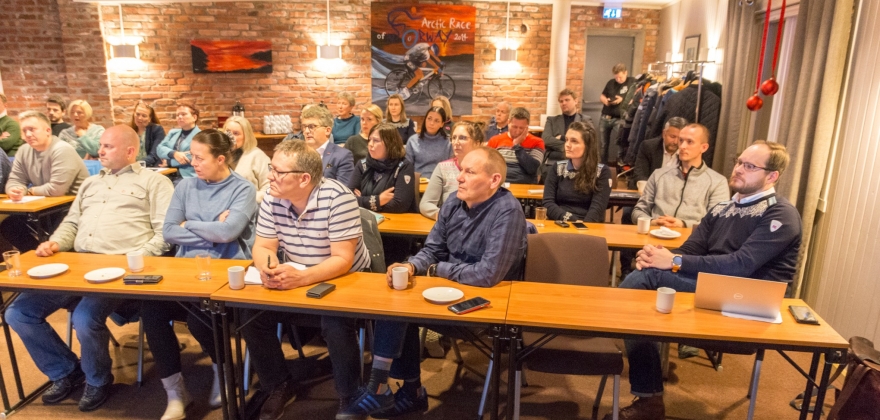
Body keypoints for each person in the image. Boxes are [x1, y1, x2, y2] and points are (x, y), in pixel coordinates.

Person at [608, 140, 802, 420]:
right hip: (715, 288)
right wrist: (659, 255)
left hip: (752, 301)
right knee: (645, 281)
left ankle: (608, 336)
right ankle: (647, 396)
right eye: (739, 161)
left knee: (645, 281)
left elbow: (740, 266)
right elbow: (691, 250)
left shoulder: (780, 214)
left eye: (749, 166)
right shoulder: (724, 207)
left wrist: (672, 262)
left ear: (772, 176)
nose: (738, 169)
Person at [337, 147, 528, 419]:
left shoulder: (507, 211)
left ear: (494, 180)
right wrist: (411, 265)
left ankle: (398, 391)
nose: (459, 177)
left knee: (406, 305)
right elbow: (432, 249)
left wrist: (438, 269)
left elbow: (487, 274)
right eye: (460, 169)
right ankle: (390, 388)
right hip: (446, 292)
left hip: (487, 305)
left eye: (469, 172)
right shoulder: (452, 202)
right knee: (395, 298)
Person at [6, 125, 173, 413]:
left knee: (84, 317)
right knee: (17, 312)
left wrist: (135, 259)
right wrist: (55, 242)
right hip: (79, 263)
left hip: (121, 269)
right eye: (102, 145)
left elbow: (164, 233)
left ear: (130, 151)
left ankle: (97, 380)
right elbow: (71, 223)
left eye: (108, 146)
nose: (100, 151)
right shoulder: (91, 183)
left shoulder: (154, 182)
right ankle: (66, 371)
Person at [242, 140, 370, 420]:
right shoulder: (273, 197)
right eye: (270, 168)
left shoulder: (338, 197)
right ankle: (277, 383)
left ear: (304, 179)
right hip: (298, 273)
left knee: (335, 322)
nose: (269, 176)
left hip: (344, 278)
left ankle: (349, 395)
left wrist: (301, 278)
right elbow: (263, 246)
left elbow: (342, 260)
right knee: (250, 314)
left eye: (278, 171)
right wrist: (269, 267)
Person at [145, 129, 257, 420]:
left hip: (227, 273)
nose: (191, 162)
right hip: (186, 271)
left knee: (198, 317)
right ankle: (175, 391)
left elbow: (230, 232)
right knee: (151, 307)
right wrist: (211, 229)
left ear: (220, 159)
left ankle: (224, 371)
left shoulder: (242, 189)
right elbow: (169, 232)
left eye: (199, 157)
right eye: (191, 156)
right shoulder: (185, 187)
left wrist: (189, 224)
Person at [1, 111, 89, 251]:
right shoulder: (24, 151)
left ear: (48, 130)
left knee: (56, 228)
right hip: (46, 206)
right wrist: (16, 189)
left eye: (32, 129)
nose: (28, 134)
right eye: (24, 131)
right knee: (9, 225)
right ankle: (37, 254)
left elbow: (56, 190)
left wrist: (29, 191)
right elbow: (15, 179)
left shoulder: (62, 150)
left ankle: (52, 256)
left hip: (72, 206)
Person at [631, 123, 729, 228]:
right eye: (681, 140)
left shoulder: (718, 182)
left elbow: (718, 221)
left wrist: (683, 224)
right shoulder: (658, 175)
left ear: (703, 148)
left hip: (692, 241)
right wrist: (652, 222)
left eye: (689, 142)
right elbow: (638, 211)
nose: (682, 146)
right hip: (655, 236)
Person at [542, 121, 611, 223]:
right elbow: (548, 203)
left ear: (587, 146)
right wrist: (571, 220)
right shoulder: (557, 168)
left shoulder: (602, 172)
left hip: (589, 226)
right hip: (561, 223)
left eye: (574, 141)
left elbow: (597, 209)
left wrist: (582, 227)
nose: (567, 145)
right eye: (566, 140)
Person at [419, 121, 484, 219]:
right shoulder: (443, 168)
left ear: (477, 143)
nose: (456, 142)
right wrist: (445, 216)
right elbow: (426, 204)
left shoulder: (486, 169)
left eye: (462, 138)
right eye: (453, 138)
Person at [352, 123, 417, 214]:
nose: (370, 144)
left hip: (395, 222)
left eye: (376, 140)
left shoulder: (404, 166)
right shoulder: (362, 164)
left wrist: (362, 201)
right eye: (369, 139)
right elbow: (349, 199)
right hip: (365, 219)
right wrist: (378, 200)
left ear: (390, 144)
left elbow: (400, 205)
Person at [298, 105, 355, 189]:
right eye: (304, 127)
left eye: (311, 127)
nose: (306, 131)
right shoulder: (297, 154)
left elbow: (342, 190)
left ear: (327, 130)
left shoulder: (342, 156)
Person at [488, 107, 545, 184]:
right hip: (500, 185)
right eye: (514, 127)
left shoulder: (537, 142)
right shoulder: (495, 140)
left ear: (527, 126)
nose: (517, 131)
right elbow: (487, 166)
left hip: (525, 187)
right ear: (508, 123)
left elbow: (532, 169)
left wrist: (517, 146)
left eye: (521, 128)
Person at [630, 117, 688, 189]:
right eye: (672, 136)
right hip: (648, 191)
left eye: (680, 139)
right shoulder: (648, 146)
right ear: (664, 134)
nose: (676, 142)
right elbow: (640, 175)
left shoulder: (687, 151)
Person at [223, 116, 271, 202]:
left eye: (236, 133)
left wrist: (244, 198)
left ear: (246, 136)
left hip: (251, 206)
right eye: (228, 132)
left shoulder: (258, 156)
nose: (230, 137)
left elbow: (269, 188)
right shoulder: (220, 155)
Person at [542, 88, 589, 171]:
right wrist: (571, 145)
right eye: (561, 101)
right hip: (554, 161)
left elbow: (588, 139)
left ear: (575, 101)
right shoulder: (552, 120)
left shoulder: (585, 120)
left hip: (578, 160)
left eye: (567, 100)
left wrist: (562, 137)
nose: (563, 103)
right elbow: (546, 139)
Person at [599, 63, 636, 165]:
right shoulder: (611, 82)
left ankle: (619, 166)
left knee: (620, 143)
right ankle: (603, 165)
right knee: (603, 144)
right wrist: (605, 101)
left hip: (620, 119)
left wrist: (622, 100)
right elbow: (602, 96)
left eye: (620, 77)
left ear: (626, 73)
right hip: (605, 117)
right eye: (616, 77)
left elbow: (635, 98)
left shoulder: (632, 82)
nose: (618, 79)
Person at [157, 102, 202, 179]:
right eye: (177, 115)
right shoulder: (173, 132)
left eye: (184, 114)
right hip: (167, 173)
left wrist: (169, 162)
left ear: (194, 117)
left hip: (187, 176)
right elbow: (159, 148)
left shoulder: (200, 135)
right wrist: (174, 154)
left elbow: (192, 157)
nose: (180, 117)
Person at [405, 106, 452, 178]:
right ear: (425, 119)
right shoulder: (413, 141)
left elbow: (450, 169)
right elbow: (407, 167)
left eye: (436, 121)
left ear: (442, 124)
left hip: (440, 183)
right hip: (418, 182)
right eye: (429, 119)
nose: (431, 123)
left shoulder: (447, 143)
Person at [129, 101, 166, 167]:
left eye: (144, 116)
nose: (140, 118)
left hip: (150, 167)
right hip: (132, 168)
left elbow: (154, 155)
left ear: (150, 119)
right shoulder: (129, 131)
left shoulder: (157, 130)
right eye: (137, 114)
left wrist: (136, 165)